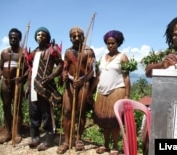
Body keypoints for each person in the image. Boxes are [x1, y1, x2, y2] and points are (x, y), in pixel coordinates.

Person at [56, 26, 96, 154]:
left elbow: (93, 71)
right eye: (74, 36)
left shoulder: (89, 51)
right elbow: (65, 67)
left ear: (83, 37)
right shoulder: (68, 52)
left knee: (80, 111)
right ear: (70, 38)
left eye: (79, 36)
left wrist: (83, 80)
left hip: (83, 83)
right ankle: (67, 141)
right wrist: (64, 74)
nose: (77, 38)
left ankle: (78, 139)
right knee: (67, 111)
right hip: (70, 84)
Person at [93, 30, 130, 155]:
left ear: (118, 43)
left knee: (114, 121)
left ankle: (115, 146)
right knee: (104, 120)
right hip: (102, 92)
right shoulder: (103, 57)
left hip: (116, 91)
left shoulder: (122, 57)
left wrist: (127, 95)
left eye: (113, 43)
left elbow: (126, 77)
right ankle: (105, 144)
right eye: (108, 43)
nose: (110, 45)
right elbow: (98, 76)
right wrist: (92, 91)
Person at [26, 27, 63, 151]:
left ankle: (49, 139)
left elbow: (61, 65)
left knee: (47, 113)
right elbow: (30, 70)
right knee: (34, 112)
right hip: (33, 86)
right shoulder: (34, 52)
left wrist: (51, 76)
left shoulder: (52, 50)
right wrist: (27, 86)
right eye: (38, 35)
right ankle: (35, 138)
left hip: (45, 87)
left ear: (47, 37)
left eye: (43, 35)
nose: (40, 36)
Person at [0, 28, 28, 144]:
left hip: (17, 83)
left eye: (15, 38)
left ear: (20, 39)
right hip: (5, 83)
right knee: (6, 107)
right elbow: (1, 68)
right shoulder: (4, 53)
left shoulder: (23, 53)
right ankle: (8, 132)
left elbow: (28, 70)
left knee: (17, 107)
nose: (13, 39)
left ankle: (17, 132)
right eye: (11, 37)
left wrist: (22, 78)